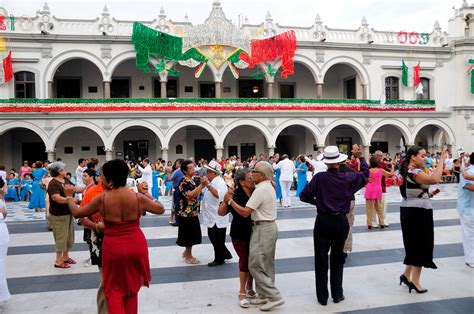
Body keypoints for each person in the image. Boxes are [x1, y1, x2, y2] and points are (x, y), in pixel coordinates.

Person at [64, 159, 165, 314]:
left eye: (102, 176)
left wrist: (69, 197)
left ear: (110, 181)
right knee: (131, 288)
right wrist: (146, 193)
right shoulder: (137, 197)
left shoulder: (102, 199)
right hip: (135, 244)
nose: (100, 179)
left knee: (114, 290)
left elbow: (77, 213)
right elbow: (160, 209)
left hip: (113, 246)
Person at [300, 146, 369, 306]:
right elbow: (365, 175)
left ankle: (322, 297)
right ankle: (337, 294)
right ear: (339, 162)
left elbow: (304, 196)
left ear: (326, 162)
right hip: (340, 221)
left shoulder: (320, 178)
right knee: (338, 258)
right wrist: (361, 158)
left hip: (323, 220)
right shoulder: (348, 178)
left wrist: (318, 202)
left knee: (321, 259)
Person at [224, 161, 285, 312]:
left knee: (255, 264)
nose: (252, 175)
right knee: (266, 263)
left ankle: (274, 296)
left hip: (262, 228)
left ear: (262, 175)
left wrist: (230, 201)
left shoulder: (260, 190)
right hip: (268, 226)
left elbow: (245, 212)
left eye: (254, 172)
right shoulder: (267, 185)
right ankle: (264, 295)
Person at [398, 147, 448, 293]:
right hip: (417, 213)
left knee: (413, 244)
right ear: (413, 157)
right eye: (423, 156)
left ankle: (406, 276)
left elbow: (411, 192)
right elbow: (435, 179)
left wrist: (427, 194)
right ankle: (415, 281)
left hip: (412, 209)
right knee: (420, 245)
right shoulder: (413, 172)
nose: (425, 159)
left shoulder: (407, 170)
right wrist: (441, 161)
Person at [218, 169, 256, 308]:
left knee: (252, 261)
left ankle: (249, 288)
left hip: (254, 231)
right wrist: (226, 199)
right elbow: (221, 212)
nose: (252, 179)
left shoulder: (255, 191)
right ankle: (241, 292)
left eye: (253, 177)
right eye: (249, 178)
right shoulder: (236, 194)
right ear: (241, 182)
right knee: (245, 260)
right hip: (240, 233)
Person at [47, 162, 79, 269]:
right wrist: (70, 200)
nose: (65, 170)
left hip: (68, 213)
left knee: (68, 236)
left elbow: (73, 188)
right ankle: (58, 261)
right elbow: (56, 198)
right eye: (63, 169)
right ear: (59, 171)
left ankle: (65, 257)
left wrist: (90, 186)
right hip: (59, 215)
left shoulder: (65, 180)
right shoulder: (53, 183)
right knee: (61, 237)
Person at [201, 160, 232, 267]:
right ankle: (225, 254)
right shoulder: (213, 181)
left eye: (208, 171)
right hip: (212, 215)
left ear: (213, 173)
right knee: (214, 236)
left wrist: (208, 185)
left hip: (217, 216)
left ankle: (219, 259)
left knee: (217, 237)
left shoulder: (220, 183)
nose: (206, 173)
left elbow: (218, 195)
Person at [177, 160, 207, 264]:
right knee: (188, 235)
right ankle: (189, 256)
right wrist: (202, 186)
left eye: (193, 167)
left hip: (192, 212)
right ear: (185, 171)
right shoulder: (183, 182)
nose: (193, 170)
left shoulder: (192, 180)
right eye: (190, 168)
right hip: (186, 213)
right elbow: (189, 195)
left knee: (193, 234)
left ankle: (186, 252)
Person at [364, 157, 394, 229]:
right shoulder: (381, 170)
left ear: (370, 164)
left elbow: (363, 178)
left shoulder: (368, 171)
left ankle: (369, 224)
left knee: (369, 208)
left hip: (369, 189)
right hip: (378, 189)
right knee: (379, 207)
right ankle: (382, 223)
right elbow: (390, 174)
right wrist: (393, 167)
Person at [457, 152, 474, 268]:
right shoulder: (468, 172)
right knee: (469, 234)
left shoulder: (466, 171)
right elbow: (469, 186)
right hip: (468, 207)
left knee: (469, 234)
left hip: (468, 207)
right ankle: (471, 259)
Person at [0, 178, 11, 303]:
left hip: (2, 235)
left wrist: (2, 214)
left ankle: (2, 294)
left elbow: (4, 214)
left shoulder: (1, 199)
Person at [170, 159, 184, 226]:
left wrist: (168, 174)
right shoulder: (184, 170)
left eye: (176, 163)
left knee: (176, 205)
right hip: (184, 189)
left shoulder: (177, 171)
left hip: (177, 189)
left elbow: (170, 178)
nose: (175, 164)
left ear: (179, 164)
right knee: (182, 205)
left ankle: (177, 221)